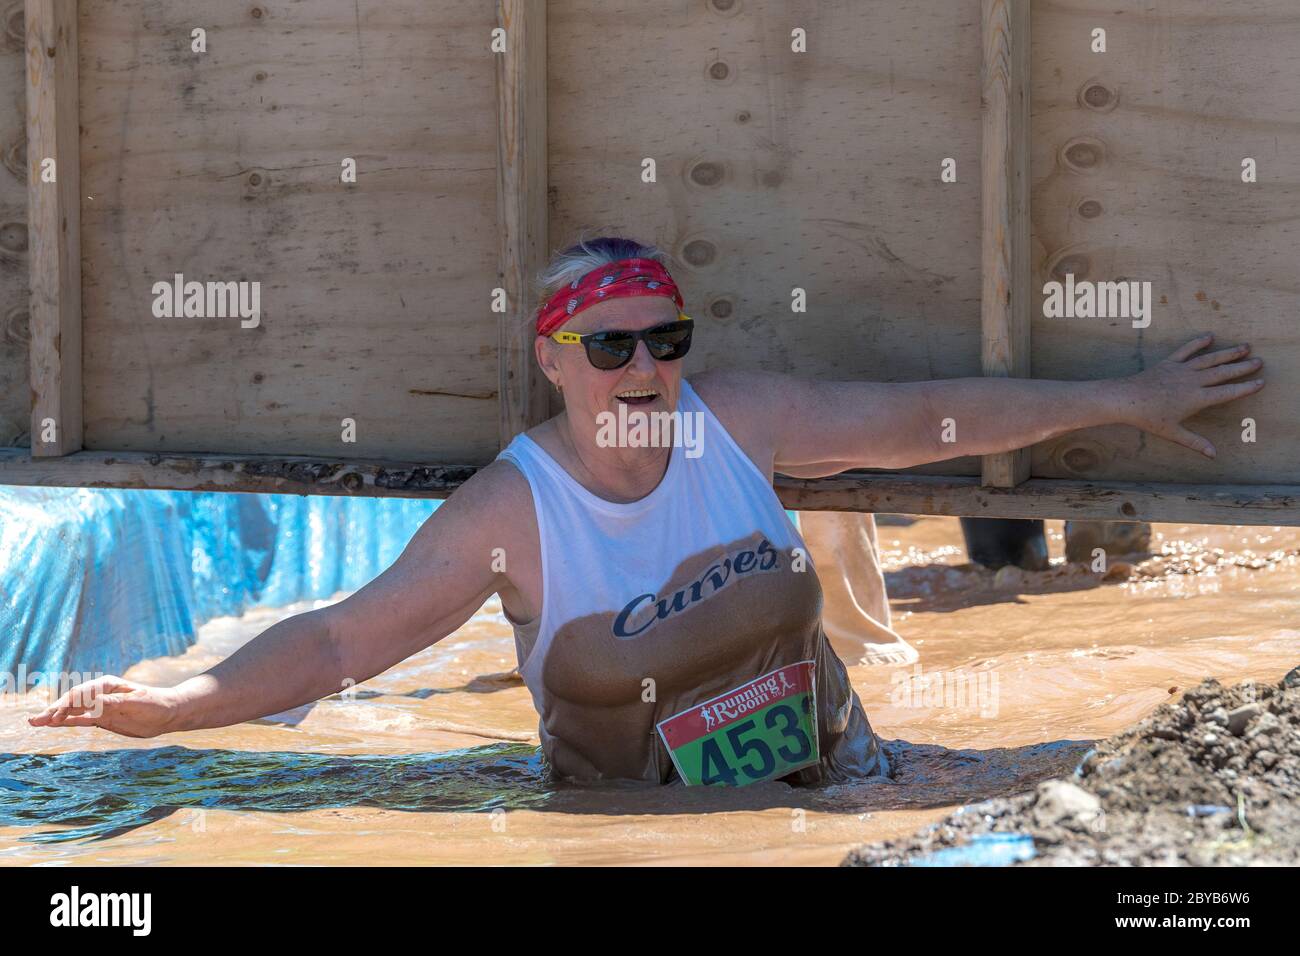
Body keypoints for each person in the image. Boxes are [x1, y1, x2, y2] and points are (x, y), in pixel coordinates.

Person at [30, 235, 1266, 788]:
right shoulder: (511, 510)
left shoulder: (730, 423)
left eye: (663, 338)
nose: (643, 367)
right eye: (609, 344)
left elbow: (924, 415)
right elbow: (345, 643)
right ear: (553, 360)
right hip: (625, 810)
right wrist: (183, 708)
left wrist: (1126, 394)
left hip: (833, 778)